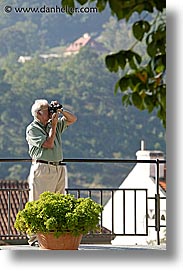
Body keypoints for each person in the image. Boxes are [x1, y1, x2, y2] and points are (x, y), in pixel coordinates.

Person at [26, 99, 77, 246]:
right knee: (38, 202)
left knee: (58, 202)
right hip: (43, 168)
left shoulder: (51, 123)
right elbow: (48, 144)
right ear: (39, 113)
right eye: (47, 110)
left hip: (58, 167)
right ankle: (34, 238)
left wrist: (60, 110)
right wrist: (54, 126)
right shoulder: (33, 129)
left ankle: (53, 236)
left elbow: (73, 119)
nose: (50, 113)